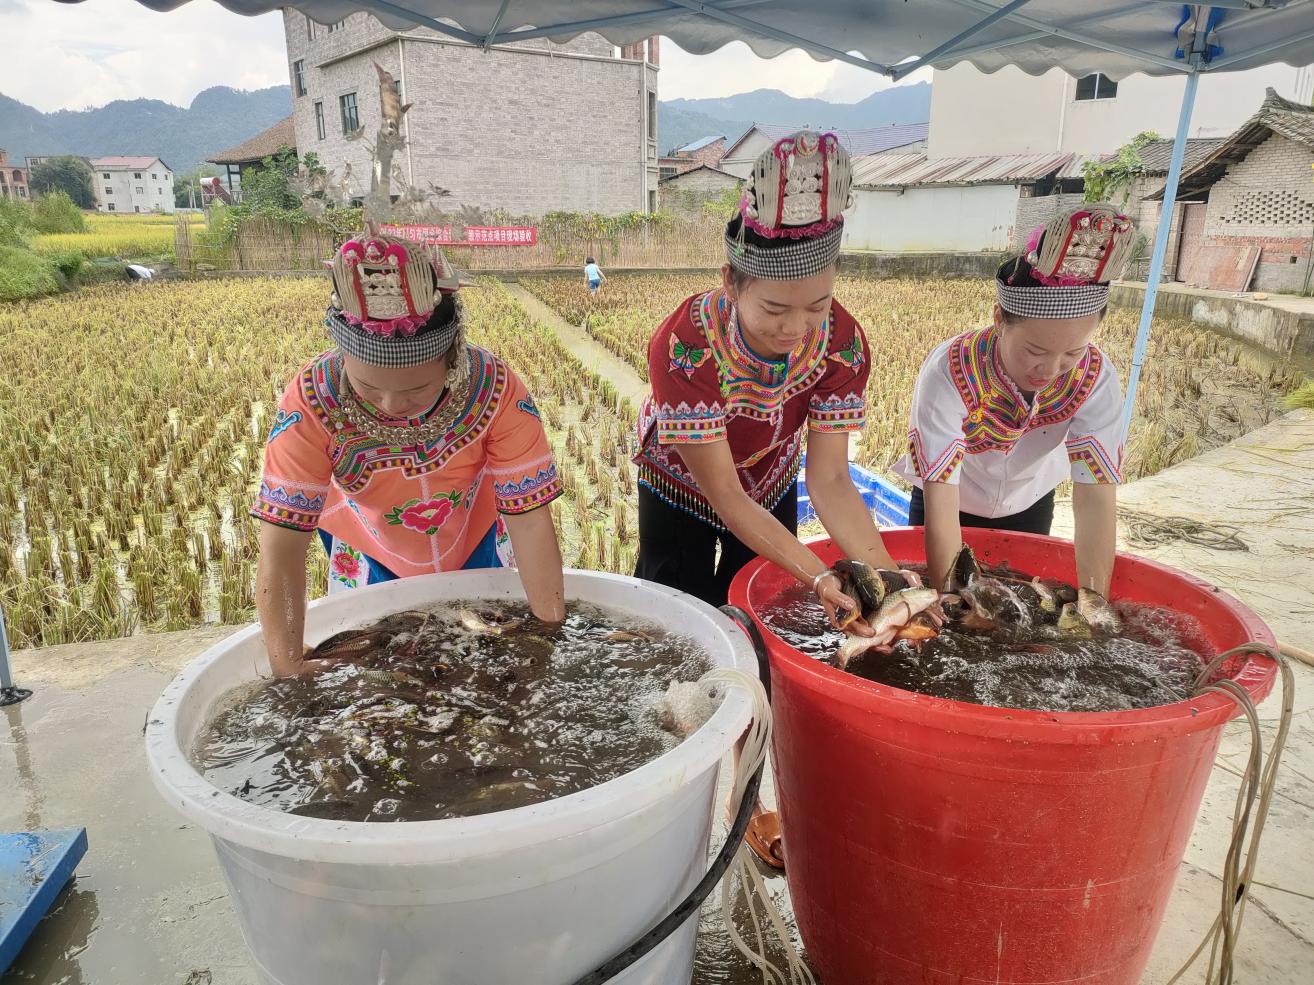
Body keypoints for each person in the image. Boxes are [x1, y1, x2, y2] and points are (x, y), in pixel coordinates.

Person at [633, 131, 902, 869]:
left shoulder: (843, 344)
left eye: (817, 305)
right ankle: (669, 784)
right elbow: (722, 492)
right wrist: (817, 573)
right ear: (732, 281)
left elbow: (833, 480)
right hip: (681, 485)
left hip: (774, 478)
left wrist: (888, 583)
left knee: (758, 638)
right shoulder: (684, 345)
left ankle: (746, 795)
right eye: (775, 308)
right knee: (683, 632)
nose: (795, 329)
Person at [252, 229, 566, 677]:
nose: (391, 406)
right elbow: (282, 545)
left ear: (453, 360)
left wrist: (548, 633)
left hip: (474, 537)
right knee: (379, 674)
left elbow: (530, 518)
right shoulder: (312, 400)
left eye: (417, 390)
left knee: (487, 661)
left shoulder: (493, 388)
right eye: (367, 388)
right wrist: (288, 667)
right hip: (368, 545)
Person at [893, 204, 1136, 596]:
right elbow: (941, 495)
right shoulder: (951, 370)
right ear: (999, 319)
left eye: (1072, 353)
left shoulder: (1096, 377)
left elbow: (1095, 496)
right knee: (937, 598)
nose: (1050, 370)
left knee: (1022, 599)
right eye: (1034, 351)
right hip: (948, 501)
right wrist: (952, 602)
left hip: (1029, 501)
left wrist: (1095, 603)